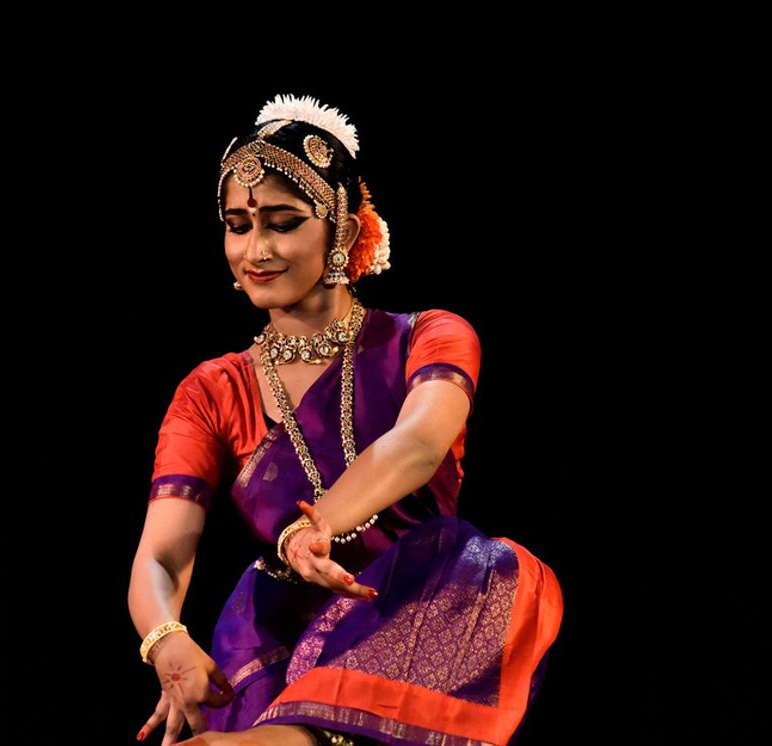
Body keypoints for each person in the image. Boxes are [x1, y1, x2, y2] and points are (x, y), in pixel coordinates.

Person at [129, 94, 564, 746]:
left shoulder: (427, 336)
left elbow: (419, 443)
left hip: (424, 614)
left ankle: (295, 739)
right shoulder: (212, 390)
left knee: (500, 570)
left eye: (281, 222)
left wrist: (319, 526)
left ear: (343, 232)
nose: (256, 248)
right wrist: (168, 643)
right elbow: (161, 556)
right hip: (280, 638)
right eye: (238, 224)